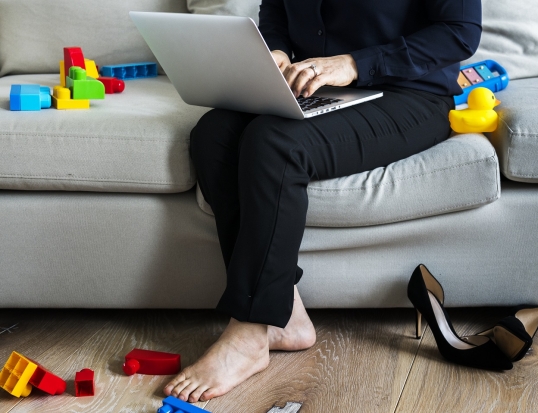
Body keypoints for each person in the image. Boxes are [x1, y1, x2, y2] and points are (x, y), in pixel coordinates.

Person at [164, 0, 482, 402]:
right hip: (319, 89)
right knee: (213, 136)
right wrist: (274, 52)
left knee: (275, 144)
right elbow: (277, 11)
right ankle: (287, 317)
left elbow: (460, 32)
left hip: (410, 95)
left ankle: (249, 330)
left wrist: (353, 63)